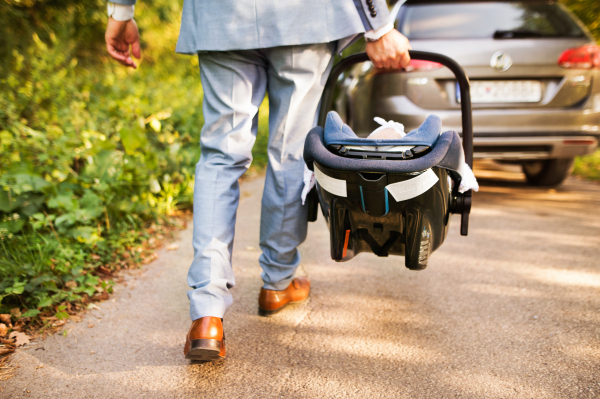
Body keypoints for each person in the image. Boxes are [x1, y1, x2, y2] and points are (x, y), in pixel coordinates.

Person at [105, 0, 411, 362]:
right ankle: (279, 281)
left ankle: (207, 314)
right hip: (304, 17)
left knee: (220, 156)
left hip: (221, 17)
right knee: (290, 152)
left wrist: (121, 11)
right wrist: (377, 25)